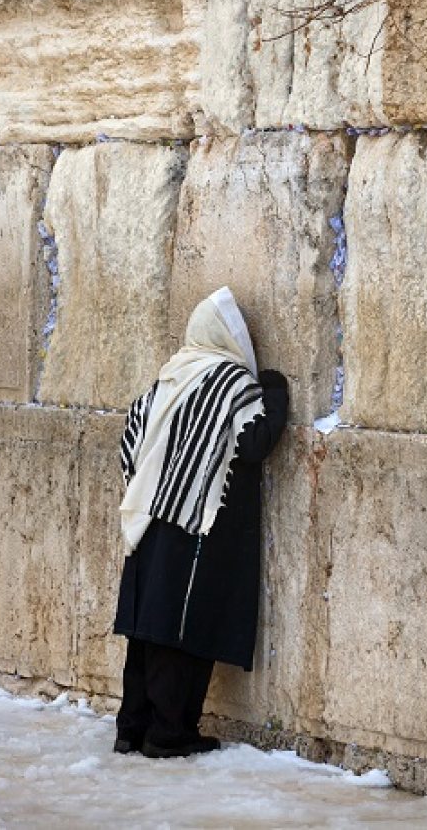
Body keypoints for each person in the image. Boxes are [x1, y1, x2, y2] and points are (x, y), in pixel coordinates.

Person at [113, 287, 288, 758]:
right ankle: (169, 733)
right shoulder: (231, 381)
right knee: (182, 627)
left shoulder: (170, 376)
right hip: (197, 522)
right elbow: (253, 442)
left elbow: (131, 437)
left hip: (148, 517)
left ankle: (131, 727)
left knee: (146, 629)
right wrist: (275, 393)